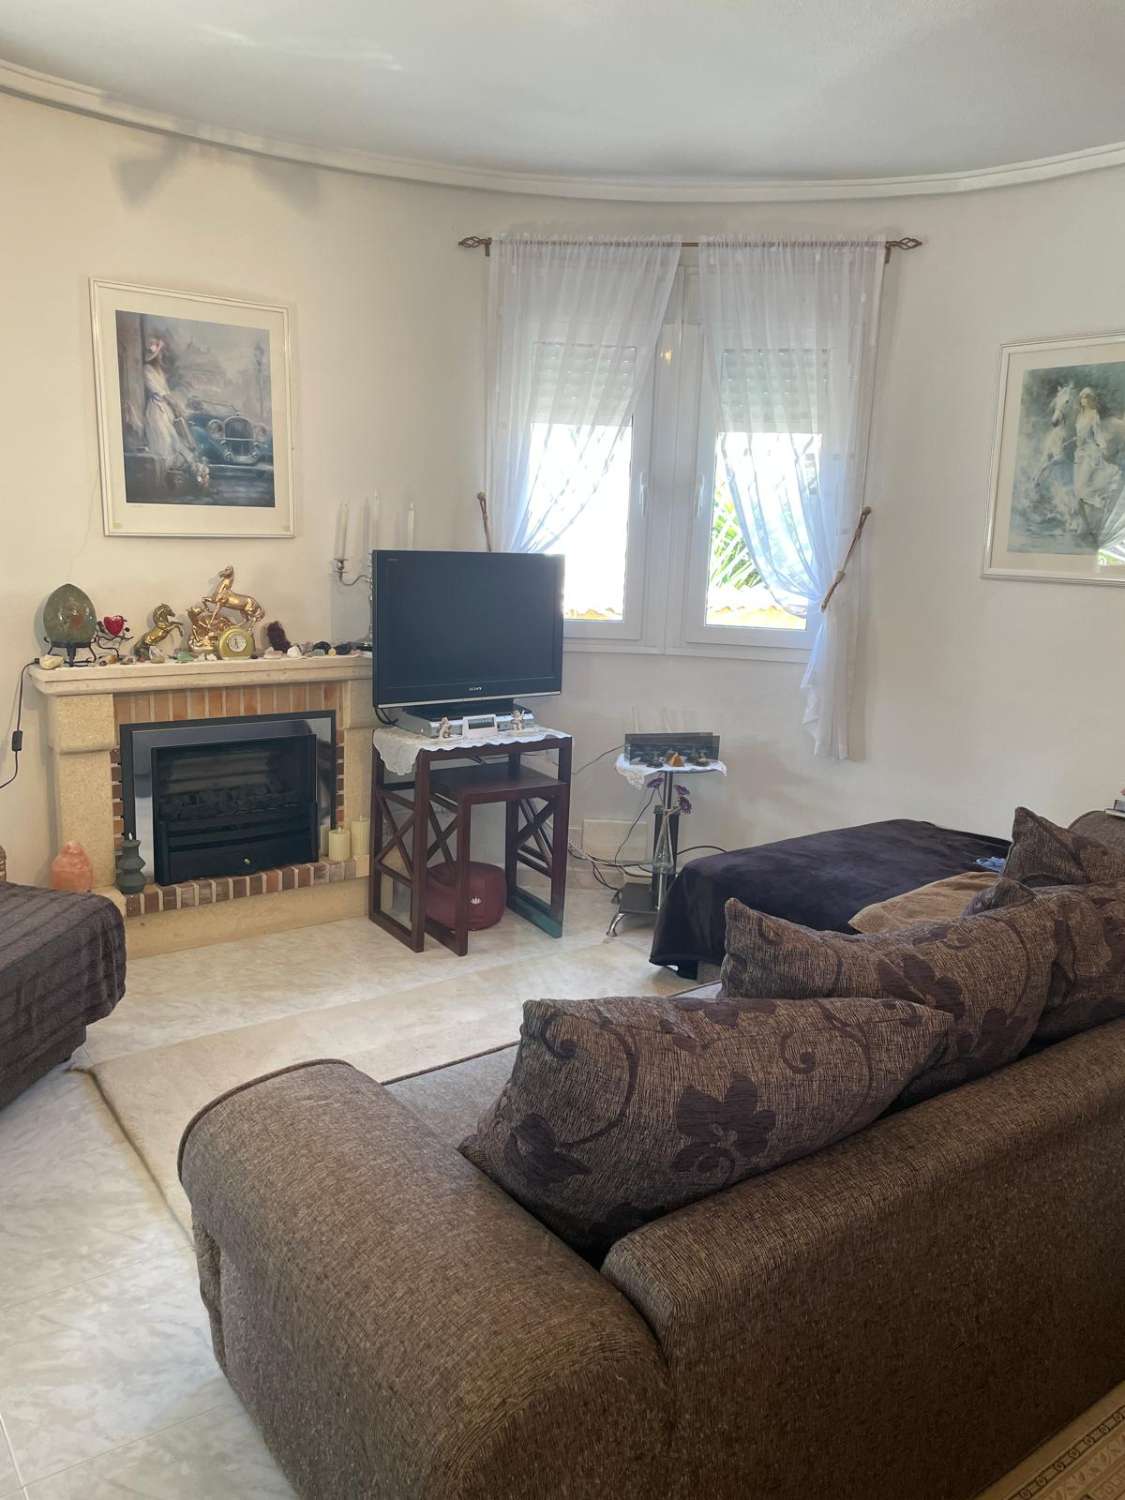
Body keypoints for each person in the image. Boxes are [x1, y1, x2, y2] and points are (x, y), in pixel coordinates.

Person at [142, 335, 207, 490]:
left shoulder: (159, 372)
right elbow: (159, 392)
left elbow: (167, 392)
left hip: (164, 410)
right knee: (164, 442)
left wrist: (176, 406)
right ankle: (164, 480)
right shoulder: (147, 370)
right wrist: (172, 403)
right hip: (155, 411)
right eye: (160, 353)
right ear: (156, 356)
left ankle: (191, 474)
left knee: (174, 440)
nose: (162, 356)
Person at [1072, 387, 1121, 542]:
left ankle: (1098, 504)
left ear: (1091, 399)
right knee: (1077, 493)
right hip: (1079, 455)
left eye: (1087, 397)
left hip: (1090, 455)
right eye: (1082, 397)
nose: (1084, 400)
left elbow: (1097, 434)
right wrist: (1077, 440)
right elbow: (1079, 434)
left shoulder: (1094, 415)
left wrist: (1103, 447)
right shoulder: (1079, 415)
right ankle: (1087, 527)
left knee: (1081, 491)